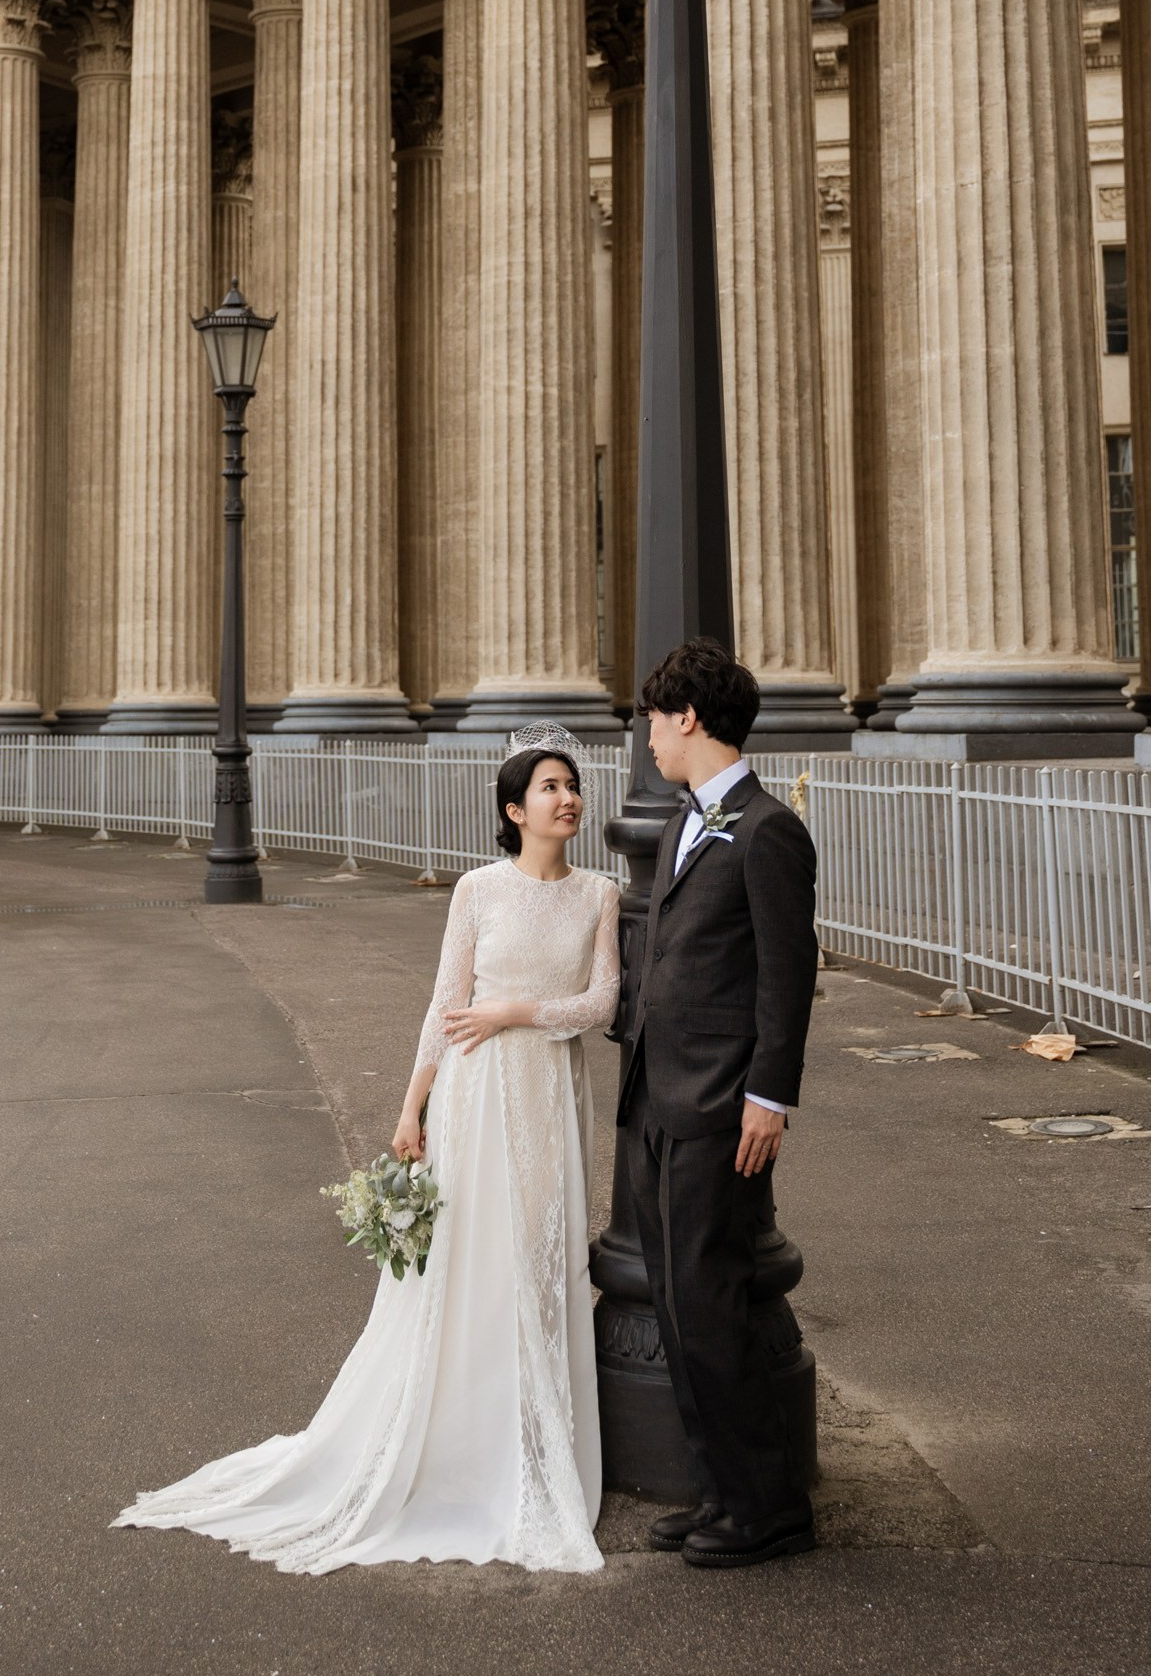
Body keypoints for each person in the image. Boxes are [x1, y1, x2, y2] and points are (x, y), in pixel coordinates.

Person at [115, 737, 620, 1574]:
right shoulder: (476, 890)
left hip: (545, 1096)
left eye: (573, 786)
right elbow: (442, 1005)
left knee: (538, 1254)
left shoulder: (600, 894)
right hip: (474, 1093)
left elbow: (601, 1000)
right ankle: (457, 1443)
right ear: (513, 810)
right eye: (550, 787)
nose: (567, 799)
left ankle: (532, 1440)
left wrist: (513, 1011)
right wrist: (411, 1108)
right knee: (469, 1265)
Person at [616, 637, 820, 1569]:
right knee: (674, 1304)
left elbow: (787, 975)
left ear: (686, 717)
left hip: (722, 1107)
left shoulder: (769, 829)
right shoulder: (681, 824)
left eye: (653, 719)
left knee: (712, 1307)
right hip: (656, 1098)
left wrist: (768, 1099)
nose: (648, 737)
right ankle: (716, 1492)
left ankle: (766, 1508)